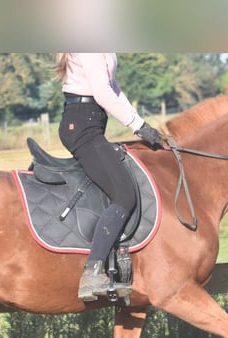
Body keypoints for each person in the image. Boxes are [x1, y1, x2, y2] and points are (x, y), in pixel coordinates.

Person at [55, 53, 163, 301]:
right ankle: (92, 272)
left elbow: (113, 88)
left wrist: (140, 124)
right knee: (124, 194)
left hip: (91, 123)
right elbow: (103, 93)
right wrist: (137, 125)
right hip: (83, 126)